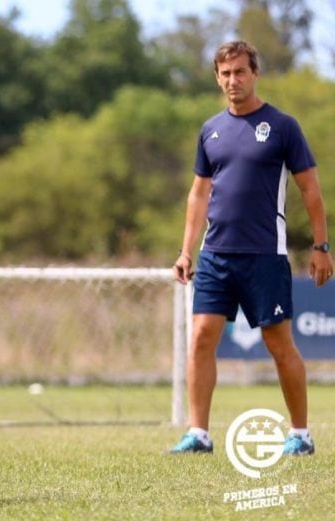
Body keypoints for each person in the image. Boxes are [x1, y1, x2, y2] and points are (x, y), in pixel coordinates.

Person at [170, 40, 333, 455]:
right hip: (215, 256)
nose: (232, 80)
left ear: (255, 73)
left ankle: (300, 434)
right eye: (225, 74)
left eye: (240, 71)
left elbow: (310, 189)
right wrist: (187, 250)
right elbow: (198, 194)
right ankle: (198, 434)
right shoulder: (210, 130)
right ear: (217, 78)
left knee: (279, 344)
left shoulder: (282, 126)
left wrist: (321, 245)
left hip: (265, 254)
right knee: (202, 337)